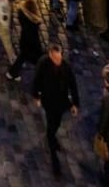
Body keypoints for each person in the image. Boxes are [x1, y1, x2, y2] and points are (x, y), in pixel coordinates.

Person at [31, 44, 80, 176]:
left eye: (60, 58)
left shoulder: (66, 66)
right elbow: (36, 80)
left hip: (62, 100)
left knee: (56, 122)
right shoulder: (43, 63)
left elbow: (72, 85)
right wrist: (36, 96)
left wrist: (75, 104)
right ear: (51, 56)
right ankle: (53, 154)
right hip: (48, 99)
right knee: (51, 123)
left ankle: (51, 136)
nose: (58, 61)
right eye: (55, 59)